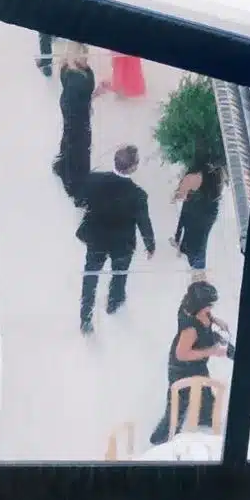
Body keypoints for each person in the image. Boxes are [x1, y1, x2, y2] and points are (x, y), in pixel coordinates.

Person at [77, 144, 155, 335]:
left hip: (96, 238)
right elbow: (143, 221)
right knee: (119, 274)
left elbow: (81, 200)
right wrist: (150, 244)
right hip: (122, 243)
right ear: (133, 167)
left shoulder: (94, 180)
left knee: (91, 276)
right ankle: (114, 302)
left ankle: (86, 317)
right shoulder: (138, 195)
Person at [148, 281, 233, 446]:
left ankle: (205, 425)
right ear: (199, 306)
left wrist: (215, 320)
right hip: (182, 368)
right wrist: (212, 351)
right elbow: (182, 354)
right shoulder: (190, 330)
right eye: (208, 305)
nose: (210, 308)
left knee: (207, 400)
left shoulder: (190, 305)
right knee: (177, 408)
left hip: (197, 364)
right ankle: (161, 440)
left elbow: (206, 316)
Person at [52, 43, 96, 205]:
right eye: (84, 55)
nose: (87, 59)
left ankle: (62, 166)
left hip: (73, 111)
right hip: (76, 117)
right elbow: (77, 102)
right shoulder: (76, 80)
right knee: (80, 150)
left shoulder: (69, 68)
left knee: (71, 141)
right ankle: (76, 187)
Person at [173, 150, 226, 271]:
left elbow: (181, 197)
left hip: (197, 208)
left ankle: (196, 264)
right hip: (209, 209)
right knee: (202, 239)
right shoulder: (215, 174)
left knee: (195, 239)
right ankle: (197, 264)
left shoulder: (193, 176)